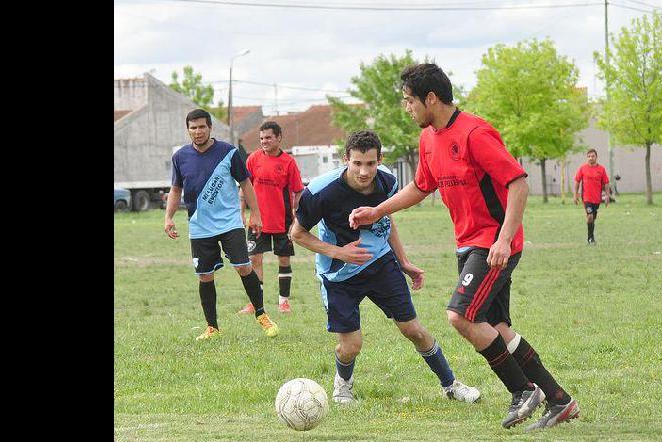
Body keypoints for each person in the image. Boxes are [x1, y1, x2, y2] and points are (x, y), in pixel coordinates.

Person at [349, 63, 579, 430]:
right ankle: (559, 400)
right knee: (497, 327)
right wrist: (376, 210)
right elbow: (421, 187)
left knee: (461, 316)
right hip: (468, 243)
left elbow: (518, 183)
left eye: (409, 101)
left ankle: (523, 390)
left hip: (494, 244)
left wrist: (504, 240)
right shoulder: (428, 139)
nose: (406, 109)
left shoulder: (475, 133)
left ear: (431, 98)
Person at [288, 130, 481, 405]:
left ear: (380, 159)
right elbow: (296, 233)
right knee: (350, 346)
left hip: (380, 264)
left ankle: (451, 385)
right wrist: (339, 252)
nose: (364, 171)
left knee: (414, 330)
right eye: (357, 163)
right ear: (345, 160)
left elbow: (386, 219)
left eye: (370, 163)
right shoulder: (320, 191)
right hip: (338, 274)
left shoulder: (388, 181)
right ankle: (343, 385)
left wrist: (403, 261)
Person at [164, 109, 279, 341]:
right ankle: (212, 328)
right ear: (188, 130)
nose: (198, 131)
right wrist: (168, 217)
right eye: (193, 127)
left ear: (210, 128)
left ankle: (261, 315)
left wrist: (255, 213)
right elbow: (176, 189)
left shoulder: (229, 152)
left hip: (229, 222)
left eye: (202, 127)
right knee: (205, 276)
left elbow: (246, 183)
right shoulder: (180, 157)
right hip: (199, 225)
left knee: (244, 267)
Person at [238, 121, 304, 315]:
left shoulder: (288, 162)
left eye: (268, 137)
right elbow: (244, 187)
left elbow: (298, 192)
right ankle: (255, 303)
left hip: (282, 221)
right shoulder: (253, 159)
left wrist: (297, 218)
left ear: (278, 138)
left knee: (283, 260)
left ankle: (283, 302)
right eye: (261, 138)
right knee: (253, 260)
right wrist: (241, 212)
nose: (264, 141)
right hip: (257, 221)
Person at [573, 149, 612, 245]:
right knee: (590, 216)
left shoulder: (601, 169)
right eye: (589, 156)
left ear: (596, 157)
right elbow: (577, 181)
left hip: (596, 199)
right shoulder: (582, 168)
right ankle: (590, 239)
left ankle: (591, 237)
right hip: (586, 198)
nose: (591, 158)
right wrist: (575, 194)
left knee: (592, 218)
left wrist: (607, 196)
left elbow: (606, 183)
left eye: (592, 156)